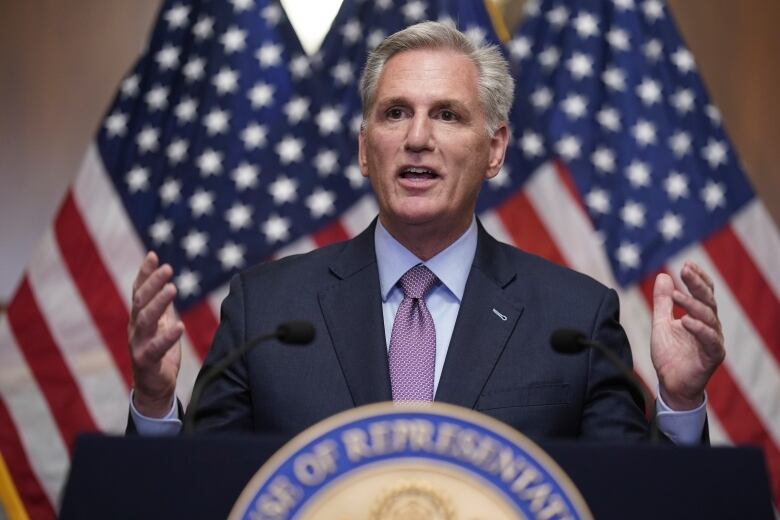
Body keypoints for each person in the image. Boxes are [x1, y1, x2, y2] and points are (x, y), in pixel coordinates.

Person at [127, 22, 724, 443]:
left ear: (494, 149)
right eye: (395, 113)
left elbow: (629, 502)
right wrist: (155, 404)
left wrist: (678, 402)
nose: (417, 138)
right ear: (365, 150)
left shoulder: (574, 320)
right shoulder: (266, 311)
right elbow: (199, 493)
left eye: (447, 114)